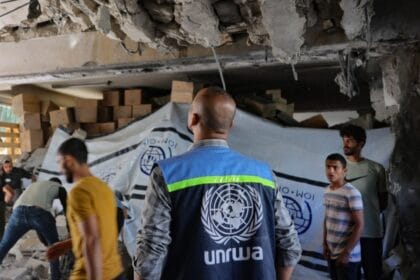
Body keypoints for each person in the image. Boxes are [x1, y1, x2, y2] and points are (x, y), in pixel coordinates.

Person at [134, 87, 302, 280]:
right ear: (231, 125)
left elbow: (151, 254)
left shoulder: (168, 174)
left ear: (193, 119)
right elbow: (290, 245)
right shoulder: (264, 175)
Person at [57, 137, 123, 280]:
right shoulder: (104, 188)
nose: (60, 168)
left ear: (69, 160)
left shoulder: (78, 192)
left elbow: (92, 238)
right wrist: (64, 246)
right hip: (115, 271)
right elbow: (100, 230)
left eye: (60, 162)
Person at [340, 125, 388, 279]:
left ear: (361, 144)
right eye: (344, 139)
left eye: (350, 140)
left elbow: (383, 203)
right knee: (347, 275)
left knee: (373, 274)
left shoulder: (376, 169)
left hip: (370, 233)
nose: (345, 143)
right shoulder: (338, 168)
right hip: (344, 234)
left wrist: (365, 216)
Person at [0, 178, 67, 280]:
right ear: (58, 183)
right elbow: (68, 209)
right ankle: (55, 277)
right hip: (40, 213)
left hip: (17, 212)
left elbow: (35, 223)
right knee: (54, 248)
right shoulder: (59, 187)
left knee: (4, 245)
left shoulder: (34, 185)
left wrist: (44, 240)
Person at [323, 153, 364, 280]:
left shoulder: (352, 193)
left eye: (335, 167)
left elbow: (360, 225)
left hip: (348, 256)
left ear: (344, 170)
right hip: (332, 252)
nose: (330, 171)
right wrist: (325, 244)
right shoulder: (327, 190)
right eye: (328, 167)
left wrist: (346, 253)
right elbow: (327, 218)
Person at [0, 156, 35, 239]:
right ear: (2, 166)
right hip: (5, 193)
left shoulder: (18, 171)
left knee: (16, 194)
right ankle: (5, 212)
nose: (8, 169)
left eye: (10, 166)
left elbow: (32, 176)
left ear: (12, 164)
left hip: (15, 191)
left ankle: (16, 216)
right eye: (6, 167)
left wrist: (33, 187)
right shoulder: (1, 174)